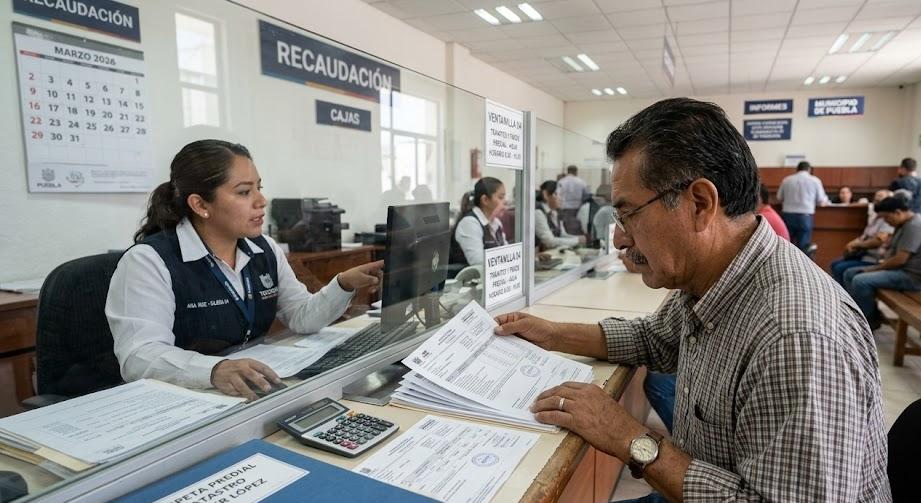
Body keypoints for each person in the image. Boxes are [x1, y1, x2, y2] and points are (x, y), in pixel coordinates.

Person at [495, 98, 889, 501]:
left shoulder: (796, 338)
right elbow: (656, 339)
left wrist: (631, 438)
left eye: (628, 214)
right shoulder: (715, 276)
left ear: (700, 204)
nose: (619, 238)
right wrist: (552, 334)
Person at [106, 140, 384, 400]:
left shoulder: (264, 249)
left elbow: (301, 318)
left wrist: (343, 285)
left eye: (259, 188)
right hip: (181, 398)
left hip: (247, 393)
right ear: (200, 204)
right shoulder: (149, 261)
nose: (261, 201)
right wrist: (214, 370)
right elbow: (140, 356)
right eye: (244, 192)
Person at [844, 195, 921, 330]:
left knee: (860, 280)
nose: (887, 222)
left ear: (898, 212)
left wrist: (873, 269)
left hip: (910, 277)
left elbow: (900, 260)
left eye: (887, 218)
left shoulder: (914, 226)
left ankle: (866, 324)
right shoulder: (903, 223)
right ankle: (868, 314)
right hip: (899, 271)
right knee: (850, 273)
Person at [830, 189, 895, 286]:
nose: (876, 203)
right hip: (863, 255)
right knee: (835, 264)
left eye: (880, 200)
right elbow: (865, 236)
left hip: (875, 260)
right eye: (875, 200)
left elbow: (878, 241)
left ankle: (847, 298)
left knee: (841, 268)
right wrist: (852, 243)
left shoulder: (888, 220)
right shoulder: (876, 218)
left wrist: (858, 244)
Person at [449, 177, 507, 273]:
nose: (505, 202)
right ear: (485, 200)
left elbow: (507, 252)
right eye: (500, 197)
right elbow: (478, 262)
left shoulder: (496, 223)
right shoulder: (469, 223)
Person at [776, 160, 829, 251]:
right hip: (805, 216)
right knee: (804, 248)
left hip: (788, 215)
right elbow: (821, 200)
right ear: (809, 169)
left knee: (787, 245)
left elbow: (779, 197)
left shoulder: (787, 180)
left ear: (797, 169)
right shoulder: (815, 180)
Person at [535, 180, 584, 250]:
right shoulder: (538, 213)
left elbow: (561, 234)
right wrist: (577, 241)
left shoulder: (554, 212)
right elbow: (549, 241)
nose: (562, 199)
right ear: (546, 195)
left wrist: (579, 239)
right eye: (558, 194)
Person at [558, 165, 591, 235]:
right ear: (576, 171)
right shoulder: (581, 182)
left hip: (564, 210)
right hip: (577, 210)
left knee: (564, 230)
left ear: (568, 171)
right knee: (575, 230)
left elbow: (557, 195)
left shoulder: (561, 181)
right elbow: (586, 196)